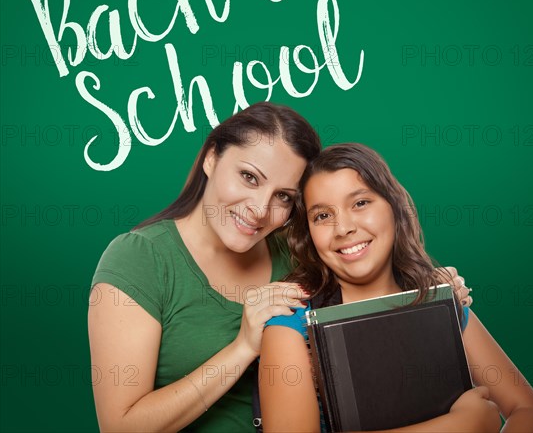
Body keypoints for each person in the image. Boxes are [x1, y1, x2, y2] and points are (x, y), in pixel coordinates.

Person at [88, 104, 470, 432]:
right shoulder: (139, 258)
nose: (258, 209)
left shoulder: (300, 255)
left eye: (283, 197)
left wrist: (430, 294)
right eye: (249, 177)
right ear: (210, 158)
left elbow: (372, 305)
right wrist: (242, 348)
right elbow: (121, 425)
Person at [260, 143, 533, 433]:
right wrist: (462, 425)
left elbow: (528, 409)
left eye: (360, 203)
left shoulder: (441, 299)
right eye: (322, 216)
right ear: (309, 234)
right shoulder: (291, 323)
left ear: (394, 208)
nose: (343, 228)